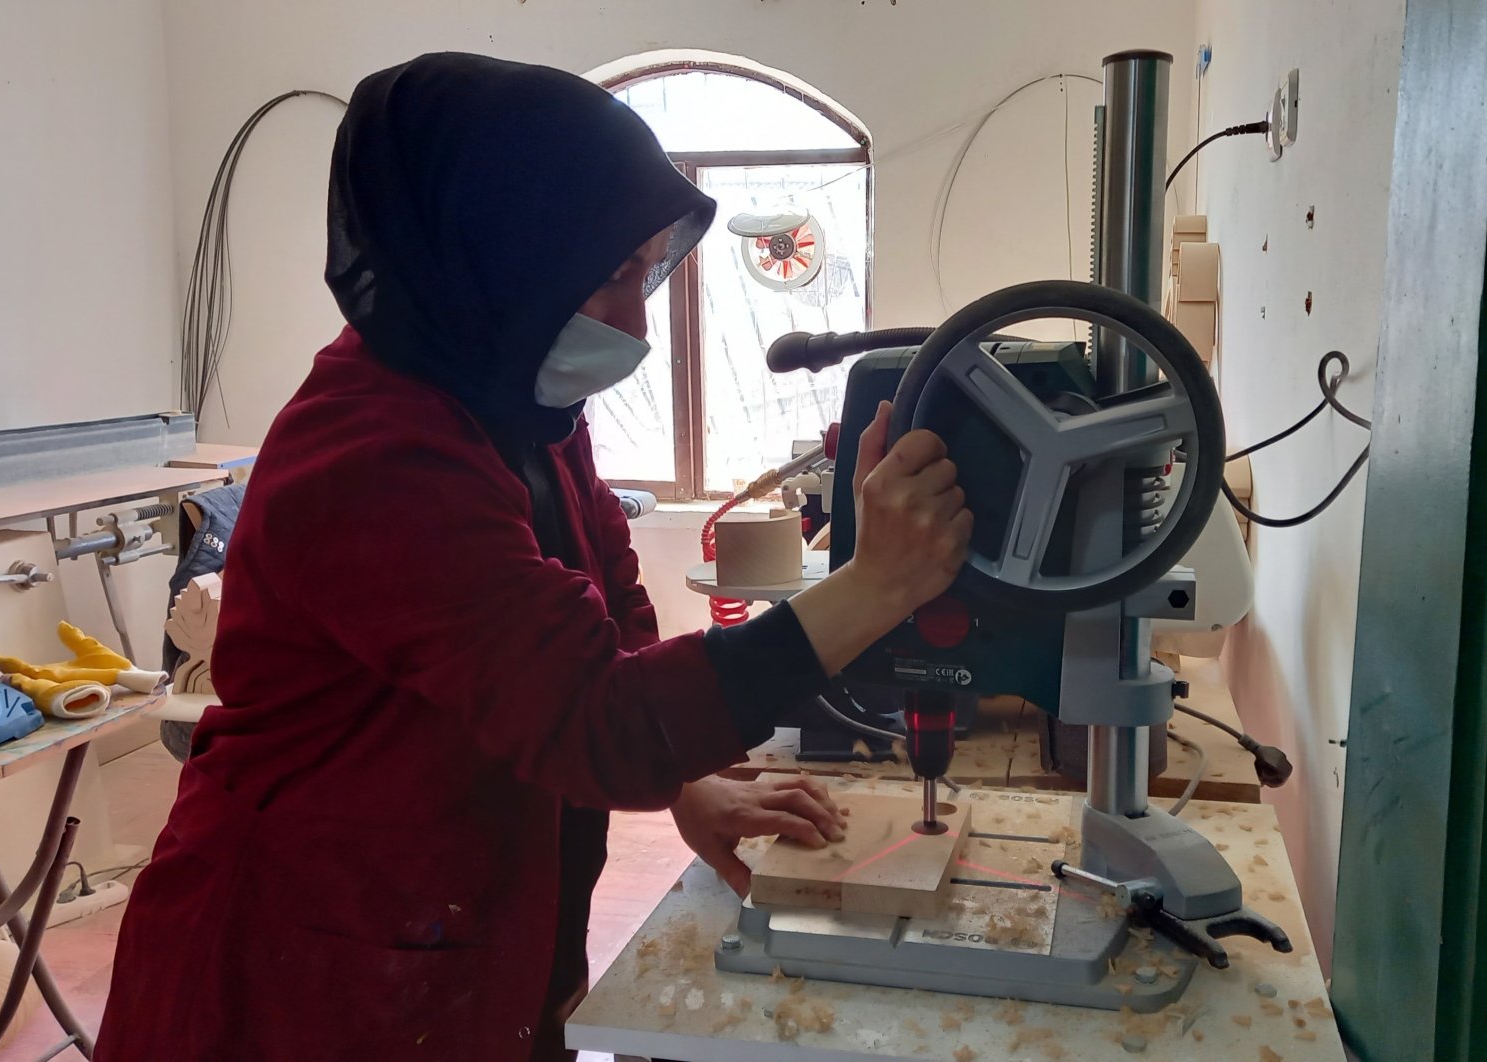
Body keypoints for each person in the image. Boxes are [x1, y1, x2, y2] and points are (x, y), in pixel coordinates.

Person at [96, 52, 971, 1062]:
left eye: (645, 273)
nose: (637, 322)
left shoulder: (520, 399)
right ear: (492, 251)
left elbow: (609, 623)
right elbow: (597, 721)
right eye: (606, 277)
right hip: (301, 977)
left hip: (464, 937)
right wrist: (877, 586)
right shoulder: (369, 456)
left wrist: (686, 782)